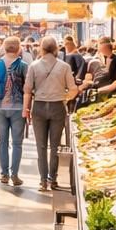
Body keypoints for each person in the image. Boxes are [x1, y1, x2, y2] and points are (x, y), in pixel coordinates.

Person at [23, 36, 80, 192]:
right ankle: (53, 179)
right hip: (57, 107)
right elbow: (74, 89)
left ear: (41, 49)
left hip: (39, 107)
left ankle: (42, 181)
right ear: (56, 49)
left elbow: (27, 90)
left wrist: (25, 110)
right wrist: (65, 98)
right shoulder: (64, 67)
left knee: (41, 146)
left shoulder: (33, 66)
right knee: (54, 146)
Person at [0, 36, 29, 187]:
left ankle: (4, 174)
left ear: (4, 48)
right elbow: (28, 89)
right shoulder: (24, 66)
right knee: (17, 143)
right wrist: (27, 107)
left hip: (0, 107)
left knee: (3, 142)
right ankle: (15, 175)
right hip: (18, 108)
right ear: (18, 48)